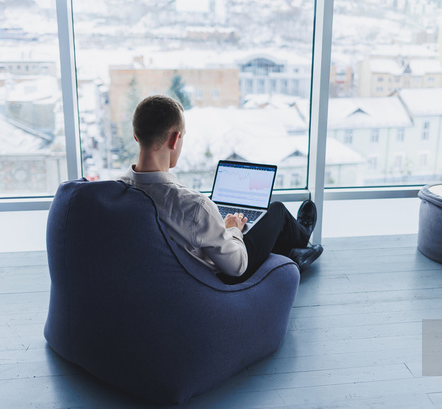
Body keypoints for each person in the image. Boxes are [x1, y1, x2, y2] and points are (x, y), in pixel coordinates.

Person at [117, 94, 323, 284]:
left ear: (136, 136)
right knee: (276, 211)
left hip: (157, 274)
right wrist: (233, 229)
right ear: (174, 139)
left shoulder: (116, 190)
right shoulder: (194, 206)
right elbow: (237, 267)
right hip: (217, 276)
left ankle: (294, 250)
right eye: (183, 136)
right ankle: (302, 236)